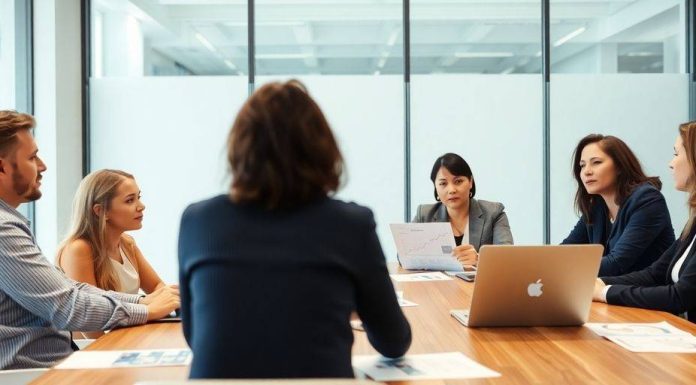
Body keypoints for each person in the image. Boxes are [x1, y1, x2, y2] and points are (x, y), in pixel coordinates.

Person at [178, 80, 411, 379]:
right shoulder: (352, 224)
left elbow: (195, 338)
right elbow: (394, 341)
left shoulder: (198, 221)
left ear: (240, 148)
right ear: (322, 149)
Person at [0, 110, 179, 369]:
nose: (42, 166)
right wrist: (146, 310)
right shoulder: (5, 230)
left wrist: (141, 302)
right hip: (34, 372)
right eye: (32, 157)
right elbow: (66, 306)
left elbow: (71, 290)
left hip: (57, 361)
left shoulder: (12, 223)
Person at [592, 122, 696, 321]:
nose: (671, 164)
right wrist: (598, 283)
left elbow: (681, 295)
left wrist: (604, 292)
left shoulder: (647, 199)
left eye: (676, 154)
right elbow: (654, 274)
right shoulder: (693, 223)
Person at [56, 169, 167, 338]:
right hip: (87, 350)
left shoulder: (127, 243)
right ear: (101, 211)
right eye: (130, 200)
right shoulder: (78, 249)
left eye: (139, 197)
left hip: (122, 339)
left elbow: (158, 289)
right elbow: (90, 327)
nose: (141, 206)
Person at [562, 134, 674, 276]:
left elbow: (617, 263)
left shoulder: (647, 200)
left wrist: (563, 268)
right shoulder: (596, 206)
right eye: (582, 165)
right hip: (610, 292)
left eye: (596, 162)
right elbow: (565, 251)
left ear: (620, 166)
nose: (586, 171)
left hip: (647, 294)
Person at [412, 153, 513, 268]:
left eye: (458, 181)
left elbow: (507, 258)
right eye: (443, 183)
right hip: (438, 285)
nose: (451, 190)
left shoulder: (494, 213)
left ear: (470, 182)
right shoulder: (424, 214)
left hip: (477, 285)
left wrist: (479, 259)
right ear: (435, 187)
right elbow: (403, 255)